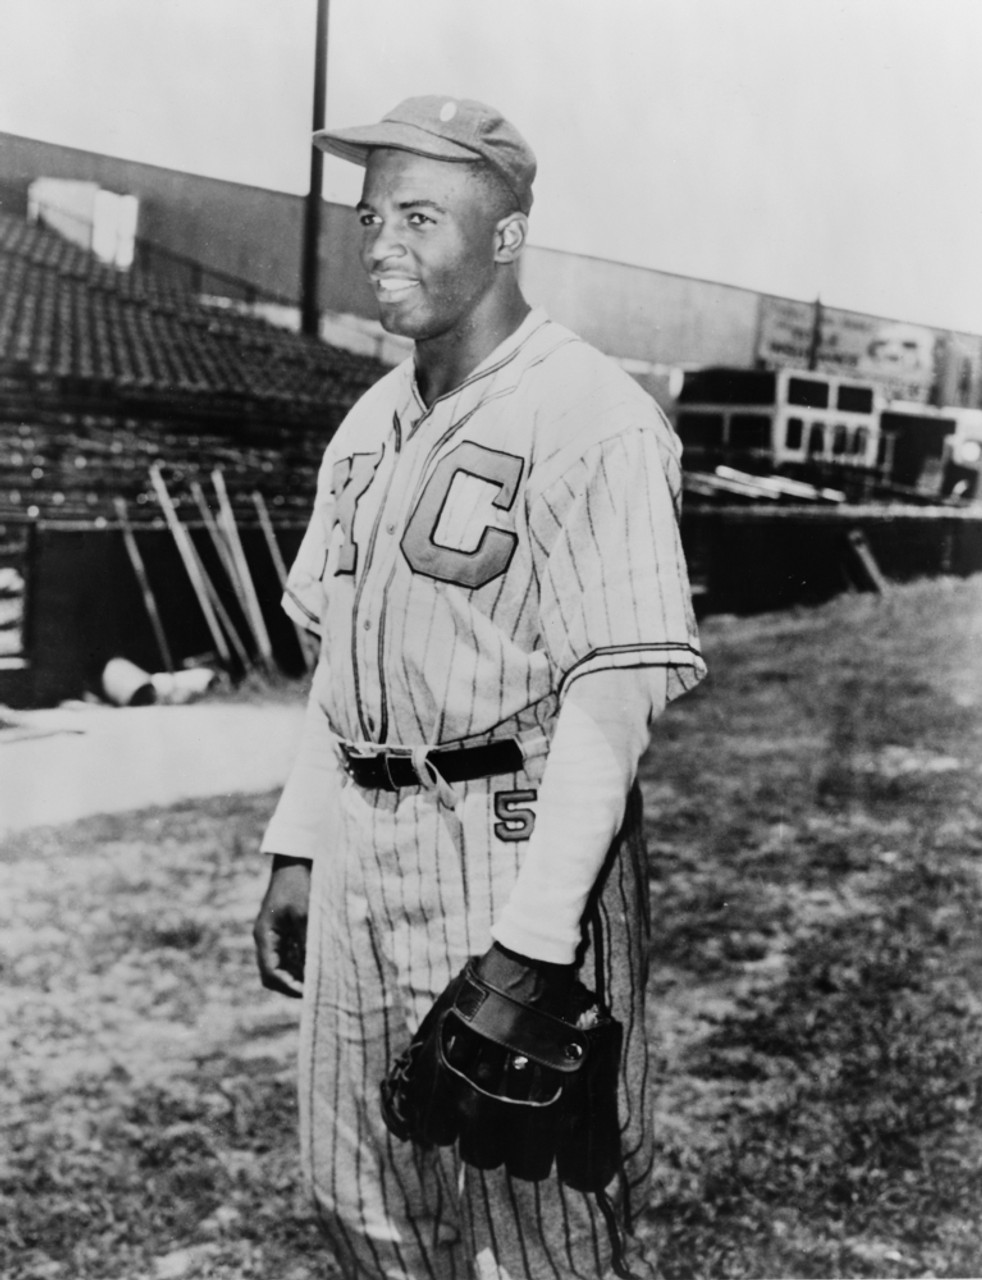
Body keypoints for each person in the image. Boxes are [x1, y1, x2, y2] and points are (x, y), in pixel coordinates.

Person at [253, 95, 706, 1280]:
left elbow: (611, 707)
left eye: (418, 215)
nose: (379, 243)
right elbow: (340, 657)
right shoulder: (367, 422)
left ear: (505, 235)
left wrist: (537, 942)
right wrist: (300, 844)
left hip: (505, 841)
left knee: (533, 1234)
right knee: (362, 1202)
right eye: (370, 216)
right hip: (362, 837)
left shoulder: (594, 416)